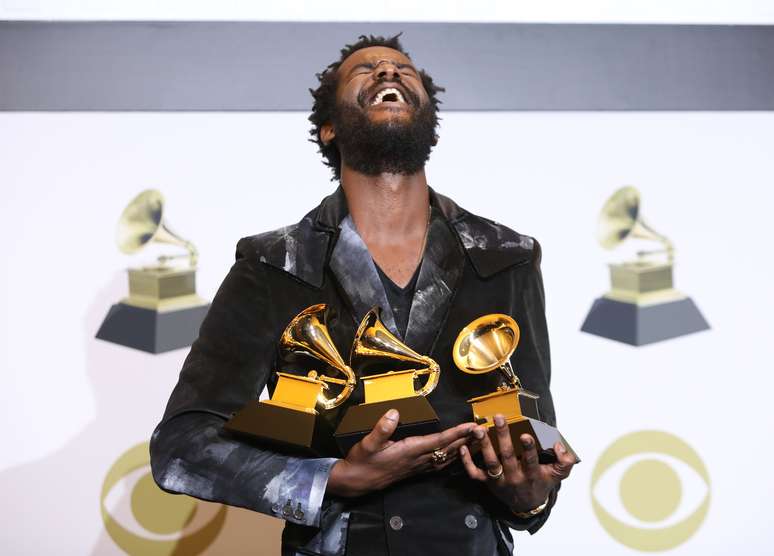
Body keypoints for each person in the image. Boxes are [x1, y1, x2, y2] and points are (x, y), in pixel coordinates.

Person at [150, 33, 576, 556]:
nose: (388, 73)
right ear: (329, 128)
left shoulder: (505, 256)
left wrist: (531, 493)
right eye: (365, 70)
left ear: (429, 120)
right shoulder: (274, 264)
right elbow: (182, 447)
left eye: (403, 69)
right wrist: (334, 479)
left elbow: (533, 438)